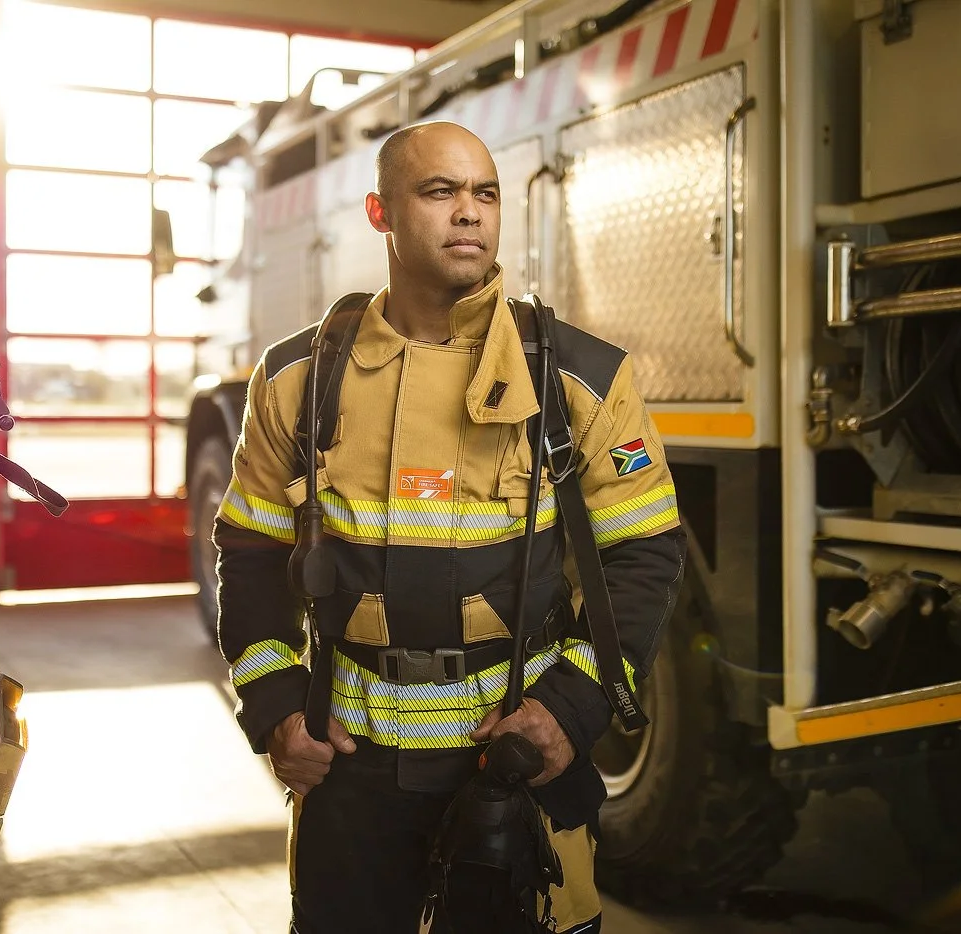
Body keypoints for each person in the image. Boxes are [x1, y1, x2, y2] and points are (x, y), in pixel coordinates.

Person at [212, 120, 686, 933]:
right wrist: (277, 707)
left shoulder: (579, 378)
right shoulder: (298, 380)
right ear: (380, 213)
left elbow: (644, 555)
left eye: (485, 193)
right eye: (440, 191)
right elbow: (252, 555)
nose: (469, 212)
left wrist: (570, 711)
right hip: (350, 774)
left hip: (516, 763)